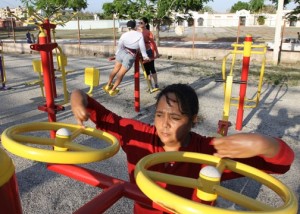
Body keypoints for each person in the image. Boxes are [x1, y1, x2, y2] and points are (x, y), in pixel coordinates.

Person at [71, 83, 294, 213]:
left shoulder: (208, 152)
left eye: (175, 117)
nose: (164, 124)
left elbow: (279, 164)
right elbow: (102, 114)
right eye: (159, 115)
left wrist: (266, 144)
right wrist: (77, 97)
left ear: (193, 120)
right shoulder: (138, 136)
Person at [103, 20, 149, 96]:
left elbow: (120, 46)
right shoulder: (139, 34)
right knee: (120, 74)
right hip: (130, 55)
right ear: (135, 26)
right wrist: (145, 56)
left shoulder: (124, 35)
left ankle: (108, 85)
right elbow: (142, 47)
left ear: (127, 27)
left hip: (121, 53)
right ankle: (113, 90)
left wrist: (116, 55)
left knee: (115, 70)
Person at [138, 17, 160, 89]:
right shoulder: (137, 32)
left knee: (152, 68)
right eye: (139, 22)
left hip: (148, 52)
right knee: (146, 70)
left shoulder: (148, 32)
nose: (140, 24)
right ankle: (150, 86)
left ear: (145, 24)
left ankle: (156, 84)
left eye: (141, 23)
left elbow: (153, 43)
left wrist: (157, 53)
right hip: (141, 53)